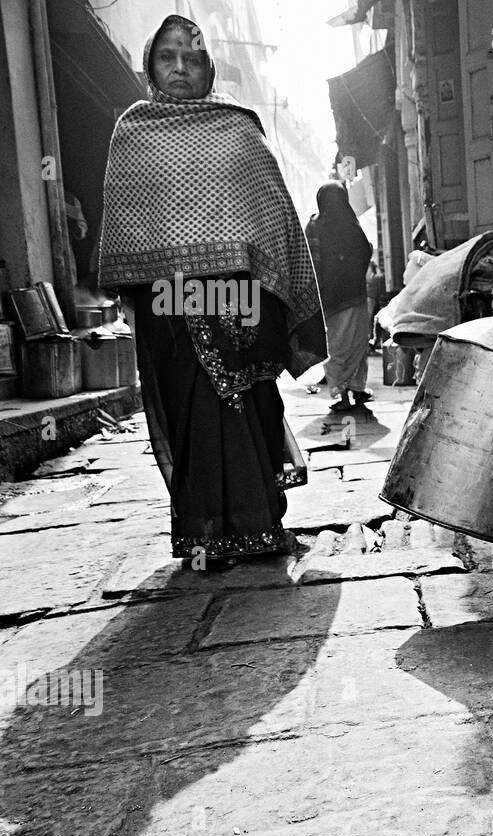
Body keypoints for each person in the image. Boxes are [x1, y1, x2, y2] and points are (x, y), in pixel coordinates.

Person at [97, 15, 326, 567]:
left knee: (240, 399)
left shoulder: (237, 127)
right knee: (194, 407)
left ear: (208, 68)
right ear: (150, 65)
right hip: (168, 308)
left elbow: (272, 216)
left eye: (191, 58)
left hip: (238, 302)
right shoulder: (133, 130)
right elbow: (126, 227)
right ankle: (205, 534)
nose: (179, 68)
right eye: (166, 57)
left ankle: (256, 524)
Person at [306, 181, 374, 412]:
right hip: (355, 294)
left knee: (337, 346)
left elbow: (309, 262)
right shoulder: (352, 225)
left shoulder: (315, 226)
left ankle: (342, 394)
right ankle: (357, 388)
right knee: (358, 344)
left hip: (331, 299)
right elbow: (367, 250)